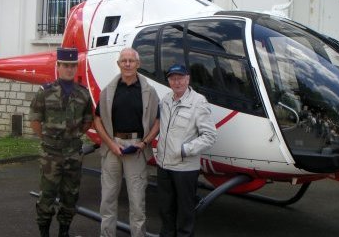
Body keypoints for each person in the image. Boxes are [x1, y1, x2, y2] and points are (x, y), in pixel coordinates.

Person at [94, 47, 160, 237]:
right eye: (124, 61)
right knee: (107, 199)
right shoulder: (108, 91)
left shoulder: (149, 91)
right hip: (112, 147)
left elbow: (158, 121)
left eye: (132, 61)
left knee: (137, 202)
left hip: (137, 149)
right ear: (118, 64)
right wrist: (111, 144)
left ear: (138, 64)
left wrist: (145, 142)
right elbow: (97, 119)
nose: (128, 64)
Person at [29, 47, 94, 237]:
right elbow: (35, 120)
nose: (70, 69)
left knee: (70, 195)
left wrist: (71, 137)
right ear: (58, 66)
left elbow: (87, 121)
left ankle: (64, 231)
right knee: (47, 196)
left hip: (73, 154)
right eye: (66, 65)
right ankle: (44, 232)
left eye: (73, 66)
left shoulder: (83, 94)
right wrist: (48, 139)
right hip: (51, 154)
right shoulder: (45, 92)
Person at [156, 64, 217, 237]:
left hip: (185, 169)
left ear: (188, 79)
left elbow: (210, 135)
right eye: (173, 79)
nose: (177, 82)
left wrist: (184, 150)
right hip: (163, 165)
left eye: (180, 78)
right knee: (165, 210)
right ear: (168, 81)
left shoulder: (198, 102)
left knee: (185, 213)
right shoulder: (166, 99)